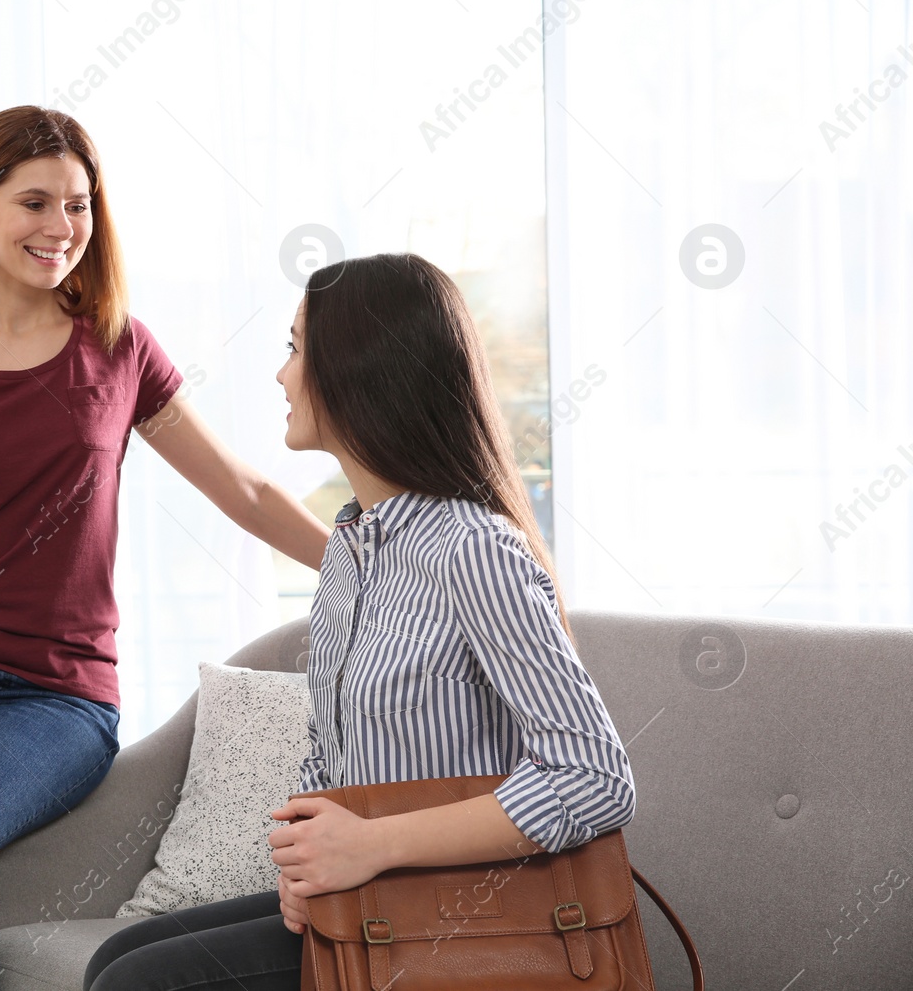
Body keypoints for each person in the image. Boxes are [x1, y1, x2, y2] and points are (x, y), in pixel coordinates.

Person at [0, 105, 333, 990]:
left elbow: (244, 490)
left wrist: (373, 559)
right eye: (35, 202)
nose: (62, 228)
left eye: (79, 203)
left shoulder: (119, 348)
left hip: (60, 701)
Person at [83, 252, 637, 991]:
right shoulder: (348, 547)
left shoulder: (474, 549)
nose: (281, 375)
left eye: (294, 347)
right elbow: (331, 753)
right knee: (116, 958)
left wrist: (372, 844)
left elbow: (597, 775)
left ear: (359, 368)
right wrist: (311, 864)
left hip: (466, 916)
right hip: (377, 900)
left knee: (138, 982)